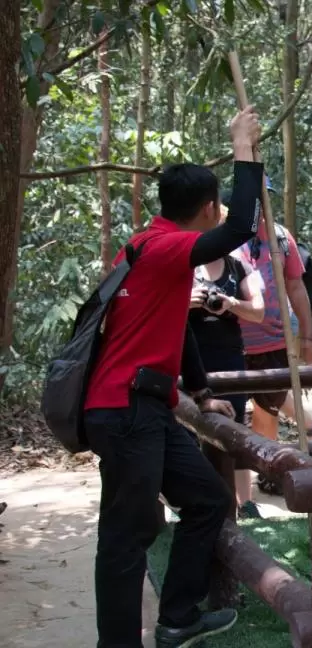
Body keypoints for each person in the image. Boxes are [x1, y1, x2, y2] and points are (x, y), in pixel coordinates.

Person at [81, 108, 263, 647]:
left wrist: (202, 392)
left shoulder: (148, 249)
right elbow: (241, 228)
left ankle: (178, 618)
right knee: (126, 536)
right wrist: (242, 147)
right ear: (207, 207)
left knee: (208, 501)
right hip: (124, 411)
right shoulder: (163, 248)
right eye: (217, 205)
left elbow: (173, 326)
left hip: (149, 408)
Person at [230, 188, 312, 470]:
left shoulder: (282, 237)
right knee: (232, 413)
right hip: (233, 342)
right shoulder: (225, 238)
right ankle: (237, 490)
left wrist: (307, 336)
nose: (258, 205)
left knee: (267, 409)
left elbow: (296, 287)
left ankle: (266, 471)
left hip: (274, 339)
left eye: (263, 197)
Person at [188, 197, 266, 519]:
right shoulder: (186, 265)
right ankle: (198, 503)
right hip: (192, 358)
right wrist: (190, 302)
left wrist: (231, 302)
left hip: (229, 357)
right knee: (191, 429)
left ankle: (244, 503)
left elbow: (258, 311)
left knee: (233, 428)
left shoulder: (239, 266)